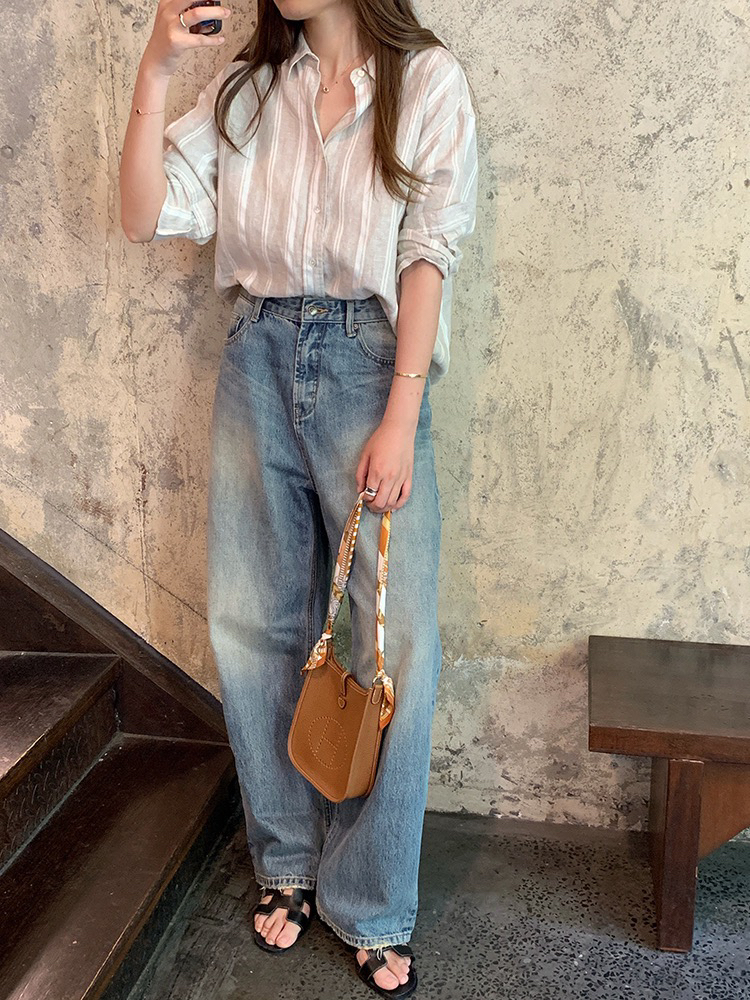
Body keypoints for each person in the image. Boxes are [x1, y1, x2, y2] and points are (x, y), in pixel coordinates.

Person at [120, 0, 478, 995]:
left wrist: (402, 411)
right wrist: (155, 71)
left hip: (372, 367)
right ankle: (286, 859)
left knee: (391, 641)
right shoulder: (251, 89)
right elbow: (144, 214)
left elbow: (430, 251)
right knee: (253, 625)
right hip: (256, 354)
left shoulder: (427, 81)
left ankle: (371, 898)